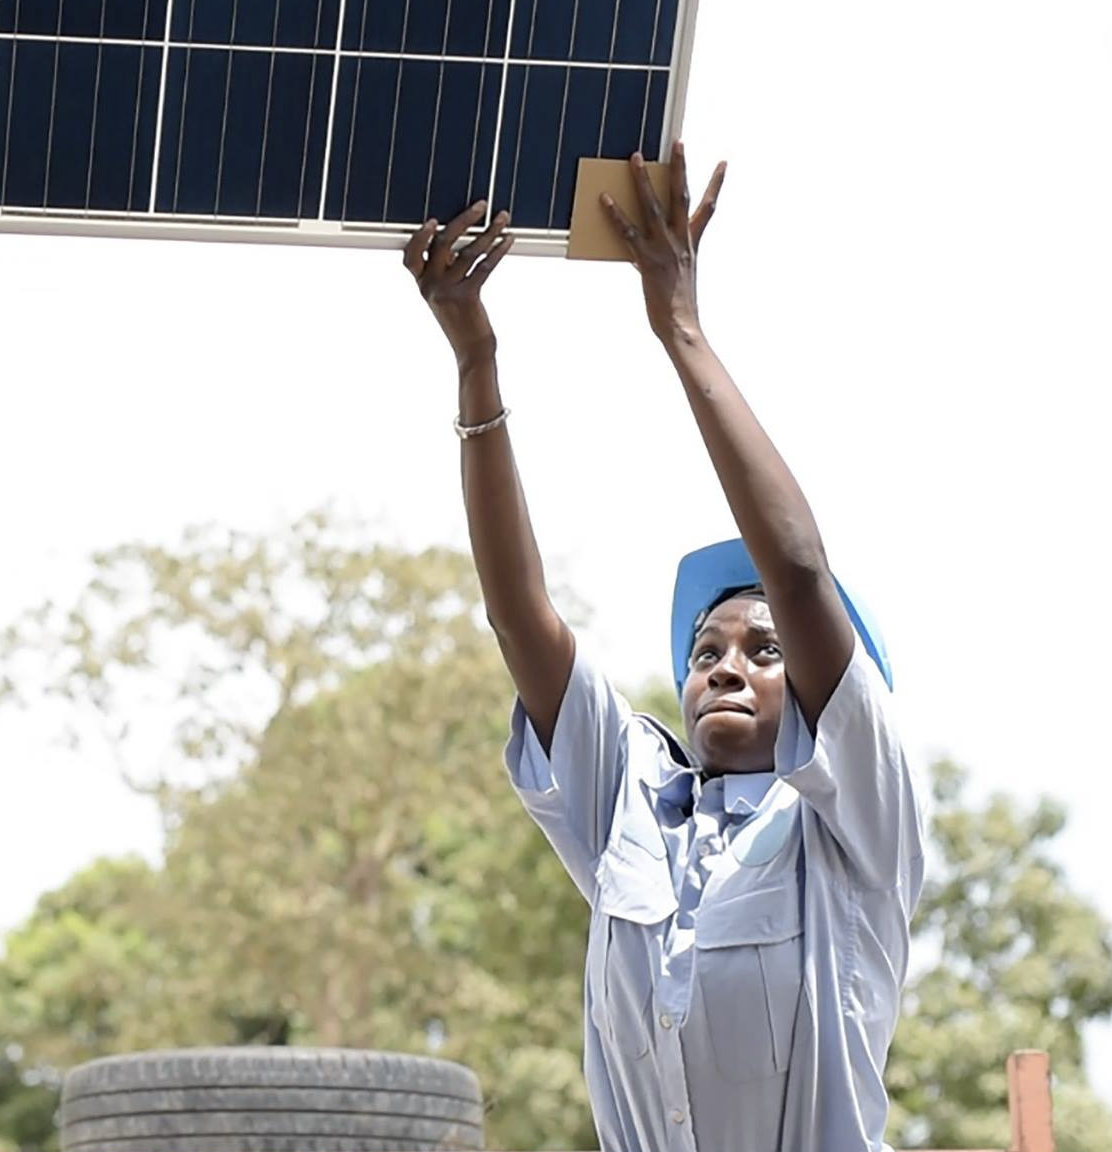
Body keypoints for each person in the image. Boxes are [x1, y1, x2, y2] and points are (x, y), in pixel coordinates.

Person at [402, 145, 924, 1151]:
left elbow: (800, 572)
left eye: (764, 652)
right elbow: (518, 617)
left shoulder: (853, 826)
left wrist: (676, 325)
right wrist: (475, 361)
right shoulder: (630, 809)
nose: (725, 664)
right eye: (705, 648)